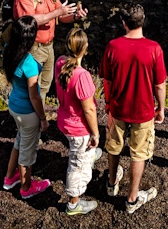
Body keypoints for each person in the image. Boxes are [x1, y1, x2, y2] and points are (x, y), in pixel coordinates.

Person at [99, 4, 167, 214]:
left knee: (113, 146)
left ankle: (111, 183)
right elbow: (160, 84)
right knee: (139, 153)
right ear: (143, 20)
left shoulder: (113, 46)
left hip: (118, 108)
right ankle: (132, 198)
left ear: (124, 22)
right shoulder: (154, 48)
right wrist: (161, 108)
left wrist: (109, 103)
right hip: (144, 111)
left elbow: (107, 80)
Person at [12, 0, 88, 100]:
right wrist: (58, 12)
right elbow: (29, 21)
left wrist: (75, 17)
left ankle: (39, 114)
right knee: (32, 85)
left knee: (45, 83)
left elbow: (62, 16)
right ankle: (31, 115)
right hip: (32, 47)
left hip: (48, 47)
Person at [2, 15, 51, 199]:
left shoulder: (8, 49)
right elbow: (35, 96)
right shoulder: (29, 63)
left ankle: (9, 178)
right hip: (28, 112)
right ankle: (26, 187)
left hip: (14, 105)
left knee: (19, 141)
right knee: (27, 154)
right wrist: (43, 119)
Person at [55, 28, 103, 216]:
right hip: (78, 128)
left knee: (81, 152)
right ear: (85, 48)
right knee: (77, 166)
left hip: (64, 120)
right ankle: (73, 204)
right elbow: (89, 109)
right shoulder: (82, 75)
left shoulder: (60, 62)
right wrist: (95, 134)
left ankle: (90, 154)